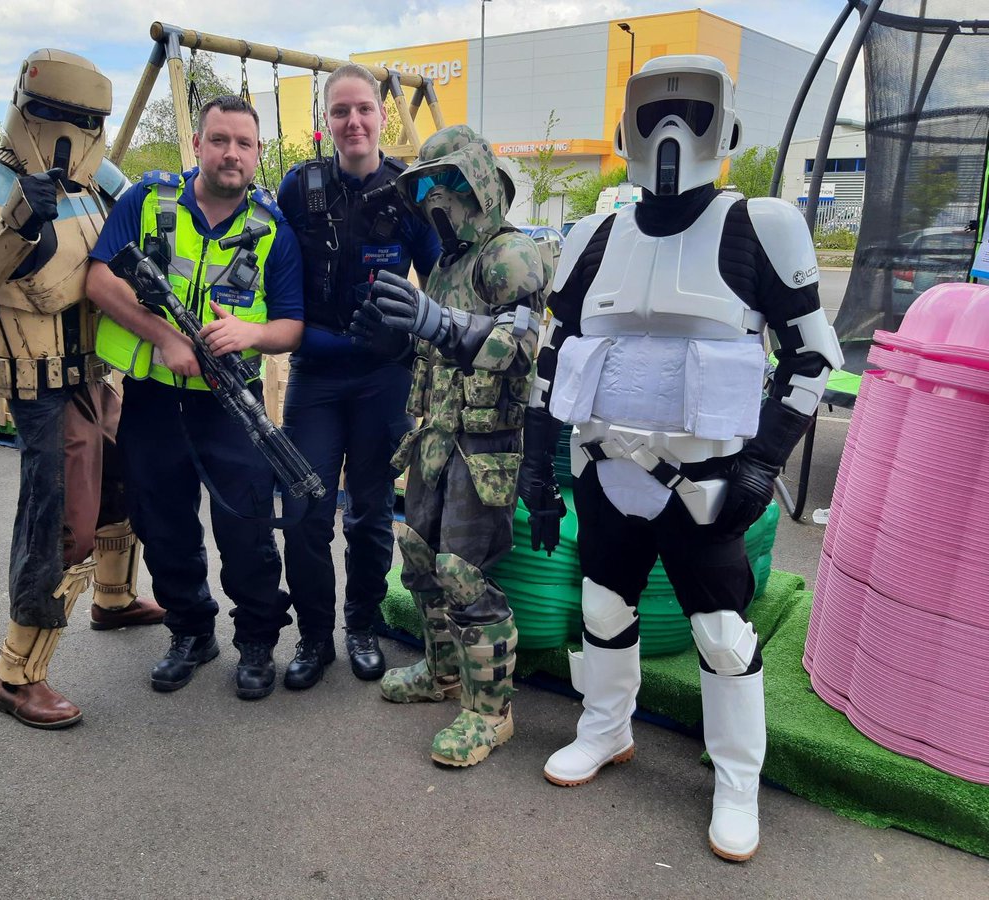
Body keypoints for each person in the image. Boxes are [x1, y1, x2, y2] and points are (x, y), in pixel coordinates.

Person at [520, 55, 843, 860]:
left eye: (694, 111)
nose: (671, 129)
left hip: (708, 486)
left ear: (725, 127)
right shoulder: (593, 235)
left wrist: (763, 463)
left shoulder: (758, 227)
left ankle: (738, 780)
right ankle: (606, 730)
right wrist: (537, 470)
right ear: (626, 125)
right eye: (653, 111)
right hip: (605, 474)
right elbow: (553, 359)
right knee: (602, 609)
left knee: (725, 635)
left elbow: (811, 358)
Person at [0, 48, 164, 730]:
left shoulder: (103, 183)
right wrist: (14, 227)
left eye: (86, 119)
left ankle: (116, 600)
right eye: (60, 116)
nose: (74, 131)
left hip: (100, 375)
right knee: (59, 522)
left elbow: (143, 226)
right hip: (38, 388)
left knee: (127, 486)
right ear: (28, 111)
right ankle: (18, 673)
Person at [87, 95, 305, 700]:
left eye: (244, 143)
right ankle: (190, 632)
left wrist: (251, 334)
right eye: (219, 140)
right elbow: (98, 279)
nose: (231, 153)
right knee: (163, 524)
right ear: (199, 145)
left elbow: (291, 324)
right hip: (154, 399)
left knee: (248, 532)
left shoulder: (272, 229)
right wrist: (163, 338)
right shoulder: (147, 200)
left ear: (258, 153)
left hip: (229, 404)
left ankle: (257, 642)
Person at [351, 124, 546, 767]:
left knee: (464, 576)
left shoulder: (510, 255)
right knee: (421, 561)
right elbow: (429, 347)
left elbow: (522, 350)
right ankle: (443, 676)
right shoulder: (446, 263)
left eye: (451, 181)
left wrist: (442, 323)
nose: (438, 197)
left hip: (483, 445)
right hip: (433, 435)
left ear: (482, 184)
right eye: (429, 184)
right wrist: (391, 335)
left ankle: (491, 713)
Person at [275, 64, 441, 690]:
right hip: (315, 375)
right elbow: (271, 273)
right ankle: (315, 637)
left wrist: (412, 331)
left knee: (370, 513)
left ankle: (362, 626)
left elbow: (441, 279)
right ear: (328, 122)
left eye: (364, 109)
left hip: (383, 378)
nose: (353, 121)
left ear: (380, 116)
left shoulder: (408, 192)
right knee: (304, 510)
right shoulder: (299, 188)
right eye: (341, 111)